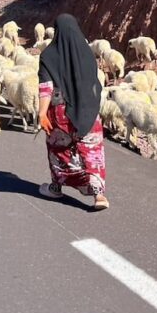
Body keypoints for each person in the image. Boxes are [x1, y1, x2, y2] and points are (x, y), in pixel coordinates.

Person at [36, 14, 108, 210]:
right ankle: (99, 195)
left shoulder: (49, 55)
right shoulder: (86, 53)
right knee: (92, 151)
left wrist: (42, 113)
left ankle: (56, 187)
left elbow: (46, 87)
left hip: (60, 113)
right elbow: (95, 84)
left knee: (59, 150)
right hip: (88, 111)